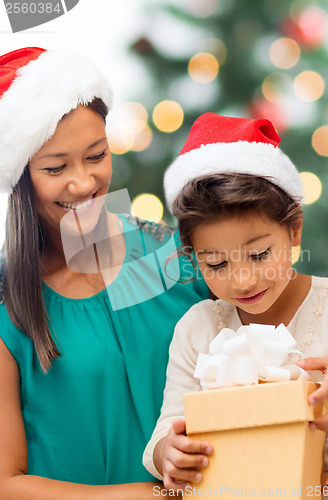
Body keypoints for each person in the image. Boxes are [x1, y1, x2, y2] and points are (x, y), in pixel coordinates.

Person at [0, 47, 209, 499]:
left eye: (96, 156)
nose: (83, 183)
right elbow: (6, 482)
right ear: (19, 178)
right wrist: (151, 496)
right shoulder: (7, 305)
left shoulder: (169, 255)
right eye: (56, 168)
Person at [142, 113, 328, 497]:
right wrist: (168, 453)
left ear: (294, 230)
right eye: (217, 263)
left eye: (259, 254)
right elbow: (169, 427)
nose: (242, 280)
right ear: (194, 258)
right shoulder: (198, 329)